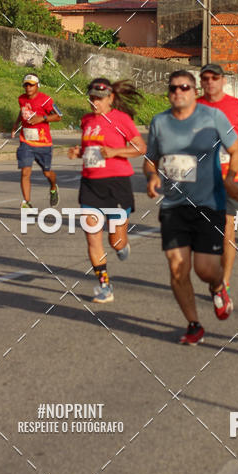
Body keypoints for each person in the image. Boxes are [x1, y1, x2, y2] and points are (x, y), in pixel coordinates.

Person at [145, 70, 238, 344]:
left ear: (193, 90)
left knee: (204, 269)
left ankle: (217, 287)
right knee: (177, 267)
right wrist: (153, 176)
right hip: (174, 206)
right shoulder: (159, 122)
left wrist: (230, 179)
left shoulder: (212, 118)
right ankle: (193, 324)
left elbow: (237, 150)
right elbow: (151, 159)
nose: (178, 92)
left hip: (208, 203)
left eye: (184, 87)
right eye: (173, 88)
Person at [68, 78, 145, 304]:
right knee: (92, 238)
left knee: (116, 241)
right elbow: (90, 149)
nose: (95, 102)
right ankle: (104, 286)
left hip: (117, 184)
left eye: (99, 98)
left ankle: (123, 244)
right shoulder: (86, 120)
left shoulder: (121, 119)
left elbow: (140, 147)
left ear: (110, 98)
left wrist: (115, 152)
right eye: (91, 98)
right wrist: (78, 152)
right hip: (91, 185)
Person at [197, 63, 238, 294]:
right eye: (205, 78)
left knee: (227, 227)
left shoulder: (237, 106)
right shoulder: (194, 106)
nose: (210, 82)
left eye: (215, 77)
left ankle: (224, 281)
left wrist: (237, 146)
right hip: (201, 179)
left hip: (231, 178)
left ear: (223, 80)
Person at [11, 73, 61, 208]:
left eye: (31, 85)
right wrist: (16, 125)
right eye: (26, 85)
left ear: (37, 86)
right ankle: (27, 202)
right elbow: (22, 111)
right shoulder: (21, 99)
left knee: (47, 173)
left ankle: (53, 187)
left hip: (43, 143)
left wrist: (42, 118)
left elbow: (58, 116)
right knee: (25, 172)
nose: (28, 88)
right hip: (26, 141)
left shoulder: (46, 100)